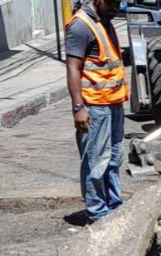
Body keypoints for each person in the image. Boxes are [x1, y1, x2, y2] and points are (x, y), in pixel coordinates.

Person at [65, 0, 128, 223]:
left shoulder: (104, 20)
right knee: (95, 162)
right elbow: (73, 67)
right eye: (111, 2)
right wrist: (78, 107)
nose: (116, 8)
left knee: (114, 159)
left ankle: (115, 205)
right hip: (94, 106)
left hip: (113, 103)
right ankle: (98, 212)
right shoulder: (81, 26)